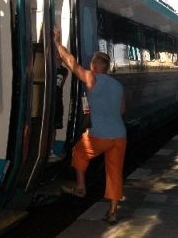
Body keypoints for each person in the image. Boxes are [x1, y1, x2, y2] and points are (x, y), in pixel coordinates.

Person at [53, 28, 126, 224]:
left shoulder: (91, 79)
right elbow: (122, 111)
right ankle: (112, 211)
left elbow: (71, 63)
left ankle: (80, 186)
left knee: (79, 151)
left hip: (100, 136)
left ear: (94, 65)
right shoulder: (118, 86)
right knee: (114, 172)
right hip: (119, 136)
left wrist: (59, 44)